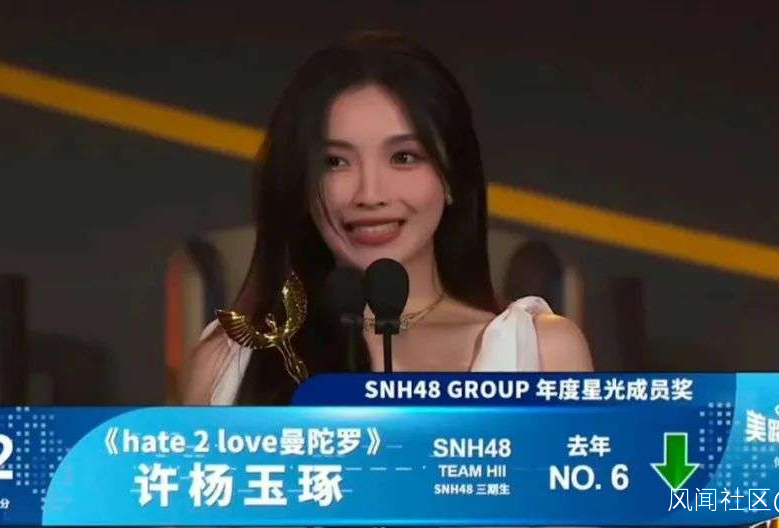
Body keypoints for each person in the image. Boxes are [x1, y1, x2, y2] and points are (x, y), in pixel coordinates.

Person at [183, 30, 592, 406]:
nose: (370, 195)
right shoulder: (231, 360)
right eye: (335, 161)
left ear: (452, 178)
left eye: (403, 157)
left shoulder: (542, 351)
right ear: (301, 184)